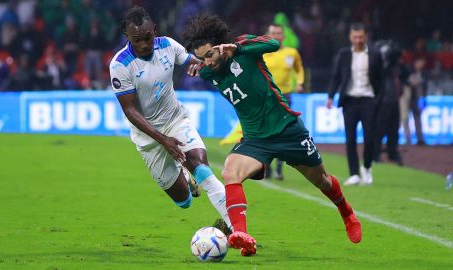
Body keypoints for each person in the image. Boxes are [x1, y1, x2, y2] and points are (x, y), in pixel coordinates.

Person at [181, 14, 361, 257]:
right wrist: (196, 64)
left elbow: (273, 44)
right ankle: (242, 234)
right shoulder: (207, 72)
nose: (208, 62)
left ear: (221, 46)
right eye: (202, 58)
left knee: (323, 181)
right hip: (256, 139)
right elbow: (195, 65)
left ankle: (347, 213)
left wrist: (237, 47)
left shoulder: (244, 49)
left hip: (287, 129)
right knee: (230, 171)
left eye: (210, 55)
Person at [108, 6, 231, 234]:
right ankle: (183, 175)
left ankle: (237, 230)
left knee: (201, 168)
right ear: (128, 37)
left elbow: (191, 61)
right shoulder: (120, 65)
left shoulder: (167, 45)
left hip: (176, 121)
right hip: (149, 138)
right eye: (137, 40)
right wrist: (164, 140)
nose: (144, 44)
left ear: (154, 30)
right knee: (184, 201)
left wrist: (197, 64)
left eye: (148, 37)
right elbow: (130, 111)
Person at [326, 23, 383, 186]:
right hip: (349, 101)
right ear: (350, 37)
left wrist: (378, 99)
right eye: (355, 37)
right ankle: (354, 173)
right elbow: (335, 76)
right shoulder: (343, 54)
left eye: (361, 37)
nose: (358, 40)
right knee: (350, 139)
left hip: (368, 100)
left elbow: (382, 79)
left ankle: (366, 167)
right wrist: (330, 96)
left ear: (365, 36)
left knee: (370, 137)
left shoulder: (375, 54)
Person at [264, 23, 305, 180]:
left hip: (285, 96)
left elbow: (299, 68)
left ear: (283, 36)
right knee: (266, 132)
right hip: (266, 97)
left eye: (278, 33)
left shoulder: (291, 53)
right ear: (268, 35)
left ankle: (279, 169)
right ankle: (266, 168)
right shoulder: (262, 53)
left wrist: (300, 82)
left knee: (283, 131)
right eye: (273, 33)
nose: (276, 36)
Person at [373, 40, 407, 166]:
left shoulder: (397, 66)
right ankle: (375, 154)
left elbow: (406, 73)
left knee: (393, 129)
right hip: (384, 100)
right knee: (379, 129)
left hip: (394, 100)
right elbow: (389, 58)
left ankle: (392, 153)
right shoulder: (381, 66)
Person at [401, 58, 427, 145]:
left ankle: (420, 138)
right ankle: (407, 138)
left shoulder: (423, 73)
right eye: (420, 63)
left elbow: (424, 87)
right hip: (407, 98)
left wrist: (423, 98)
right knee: (405, 118)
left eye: (422, 63)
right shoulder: (408, 71)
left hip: (417, 99)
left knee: (417, 118)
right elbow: (405, 82)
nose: (421, 65)